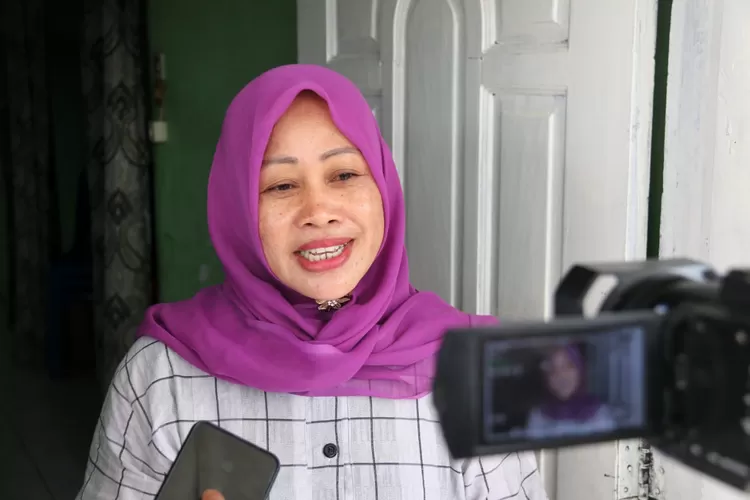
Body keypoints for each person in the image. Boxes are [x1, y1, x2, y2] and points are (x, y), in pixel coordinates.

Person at [76, 64, 547, 500]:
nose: (318, 211)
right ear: (238, 209)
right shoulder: (161, 377)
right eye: (281, 185)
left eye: (343, 174)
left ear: (383, 187)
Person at [526, 344, 616, 438]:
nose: (561, 375)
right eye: (553, 369)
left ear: (580, 371)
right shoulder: (538, 417)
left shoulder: (600, 415)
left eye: (568, 366)